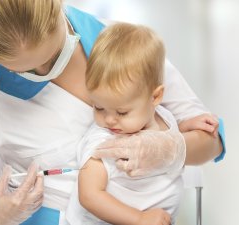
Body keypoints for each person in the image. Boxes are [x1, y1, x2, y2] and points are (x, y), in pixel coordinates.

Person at [0, 1, 225, 225]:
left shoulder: (124, 46)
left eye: (51, 57)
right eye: (23, 70)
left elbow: (213, 141)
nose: (44, 72)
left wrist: (171, 147)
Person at [66, 23, 219, 225]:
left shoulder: (163, 116)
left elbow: (164, 138)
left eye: (122, 112)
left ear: (155, 97)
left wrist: (186, 126)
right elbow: (89, 196)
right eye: (98, 107)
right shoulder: (103, 144)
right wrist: (138, 218)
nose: (109, 120)